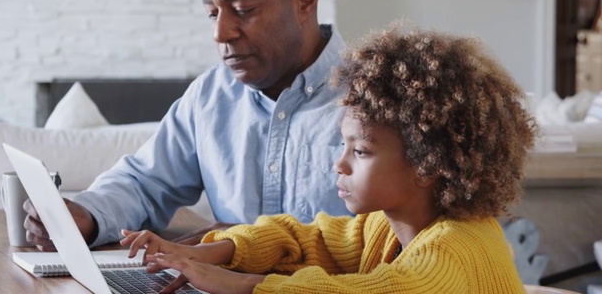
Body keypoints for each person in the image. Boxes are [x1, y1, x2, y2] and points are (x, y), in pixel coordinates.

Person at [121, 22, 536, 293]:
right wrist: (212, 253)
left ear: (428, 163)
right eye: (343, 145)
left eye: (360, 151)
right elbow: (307, 238)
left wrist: (241, 284)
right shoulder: (385, 227)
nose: (340, 164)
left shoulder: (456, 248)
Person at [23, 0, 351, 250]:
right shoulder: (210, 97)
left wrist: (253, 242)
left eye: (243, 9)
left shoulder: (375, 99)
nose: (220, 33)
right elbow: (144, 184)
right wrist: (87, 217)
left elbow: (389, 241)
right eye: (213, 13)